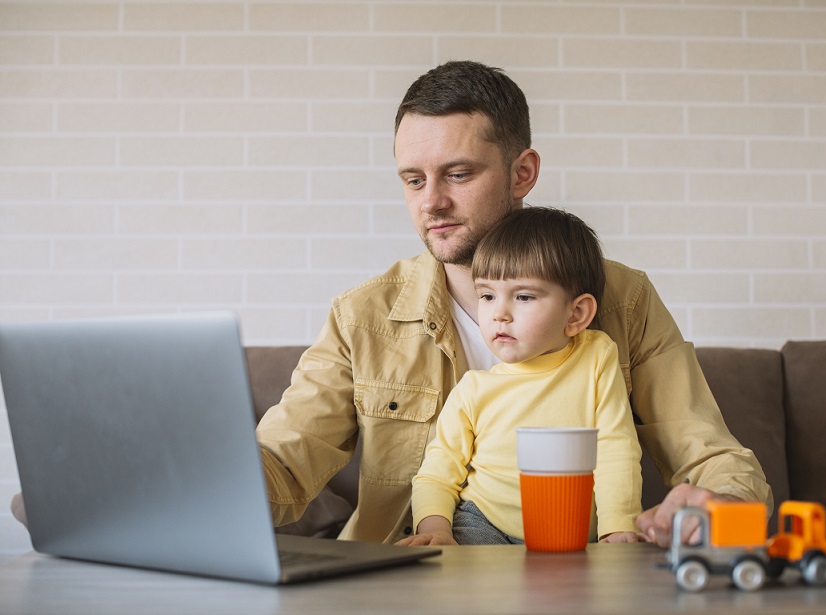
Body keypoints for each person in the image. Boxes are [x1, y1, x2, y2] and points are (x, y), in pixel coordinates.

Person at [10, 60, 771, 547]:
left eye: (458, 173)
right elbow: (281, 463)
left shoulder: (620, 297)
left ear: (523, 170)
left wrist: (715, 502)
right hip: (393, 586)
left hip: (568, 581)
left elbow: (712, 454)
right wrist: (149, 490)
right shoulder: (363, 314)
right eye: (412, 179)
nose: (431, 203)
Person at [398, 207, 645, 546]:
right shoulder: (473, 389)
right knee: (457, 577)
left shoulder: (596, 358)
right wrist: (435, 529)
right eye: (487, 295)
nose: (499, 314)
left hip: (571, 532)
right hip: (485, 524)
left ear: (576, 314)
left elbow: (616, 447)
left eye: (524, 296)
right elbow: (438, 471)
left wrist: (618, 527)